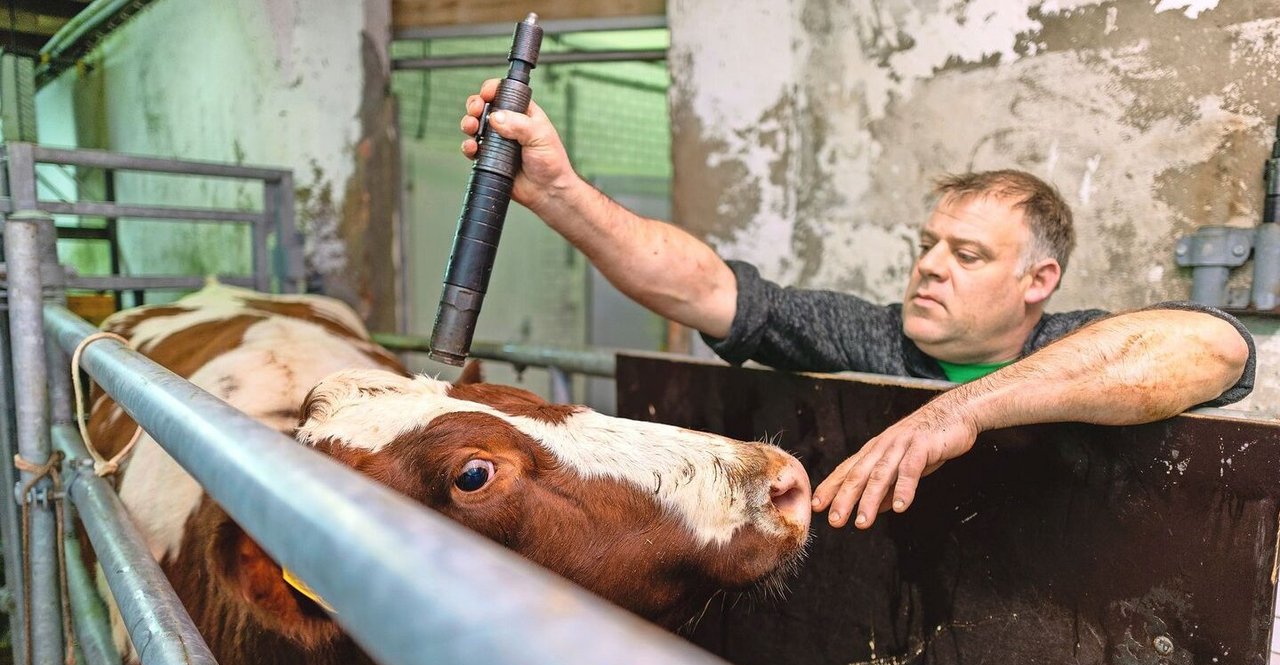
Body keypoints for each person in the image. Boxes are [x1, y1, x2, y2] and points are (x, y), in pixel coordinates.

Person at [459, 80, 1255, 533]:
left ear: (1038, 282)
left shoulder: (1074, 344)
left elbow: (1213, 346)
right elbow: (704, 287)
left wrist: (961, 410)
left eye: (967, 254)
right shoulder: (871, 337)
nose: (929, 268)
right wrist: (559, 193)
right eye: (928, 243)